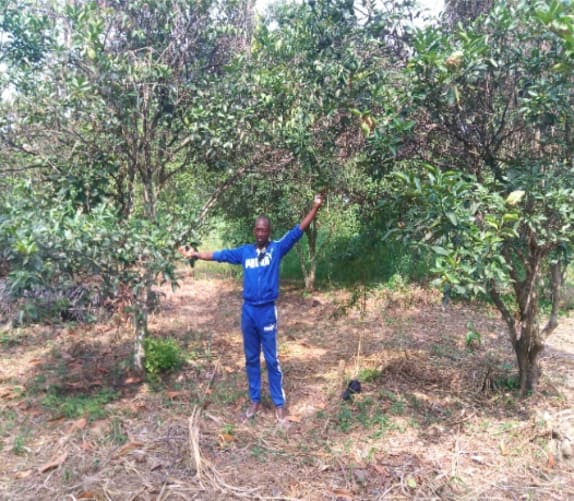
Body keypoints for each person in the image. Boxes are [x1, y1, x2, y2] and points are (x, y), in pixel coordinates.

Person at [179, 194, 324, 425]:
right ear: (254, 231)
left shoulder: (277, 249)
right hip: (248, 311)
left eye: (264, 230)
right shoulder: (245, 252)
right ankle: (254, 401)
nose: (260, 233)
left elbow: (298, 230)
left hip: (266, 312)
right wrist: (196, 253)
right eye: (257, 229)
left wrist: (314, 208)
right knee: (250, 359)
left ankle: (279, 405)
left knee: (272, 359)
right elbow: (221, 255)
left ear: (269, 231)